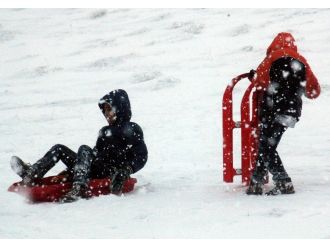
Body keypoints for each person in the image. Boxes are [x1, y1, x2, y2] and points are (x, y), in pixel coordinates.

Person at [11, 89, 148, 202]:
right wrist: (74, 168)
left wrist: (127, 169)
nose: (106, 114)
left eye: (109, 109)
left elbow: (141, 156)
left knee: (84, 148)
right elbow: (96, 153)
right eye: (104, 111)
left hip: (112, 171)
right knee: (59, 148)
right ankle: (31, 175)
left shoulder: (131, 128)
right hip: (94, 168)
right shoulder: (104, 131)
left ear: (120, 108)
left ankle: (78, 188)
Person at [246, 32, 320, 195]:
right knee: (267, 145)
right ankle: (258, 182)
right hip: (290, 112)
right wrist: (296, 90)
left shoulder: (273, 57)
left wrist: (256, 78)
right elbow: (314, 91)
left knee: (266, 145)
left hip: (271, 109)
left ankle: (281, 182)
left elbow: (259, 81)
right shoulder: (301, 61)